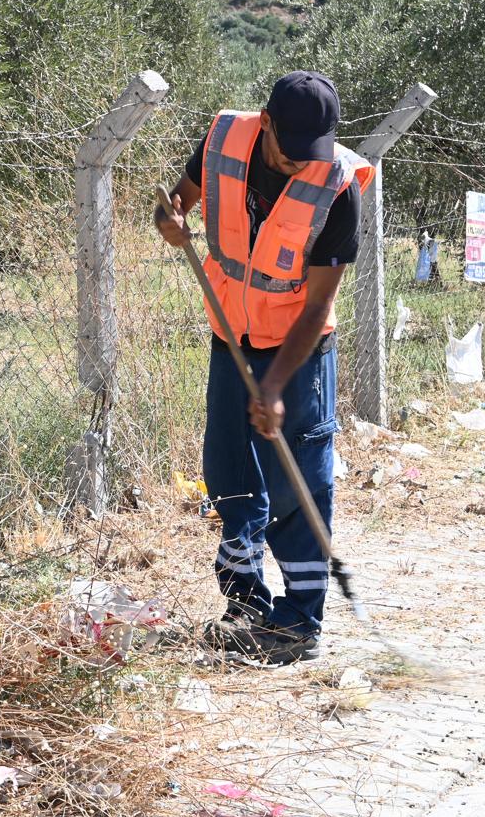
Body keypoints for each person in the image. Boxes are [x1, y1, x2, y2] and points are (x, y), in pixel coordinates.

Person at [155, 71, 374, 665]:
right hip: (230, 334)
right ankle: (246, 602)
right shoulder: (225, 140)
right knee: (228, 469)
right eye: (292, 147)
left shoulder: (337, 185)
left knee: (298, 478)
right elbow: (177, 200)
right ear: (267, 122)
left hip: (300, 354)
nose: (305, 162)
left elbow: (321, 304)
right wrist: (171, 222)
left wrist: (276, 383)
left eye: (316, 150)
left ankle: (301, 621)